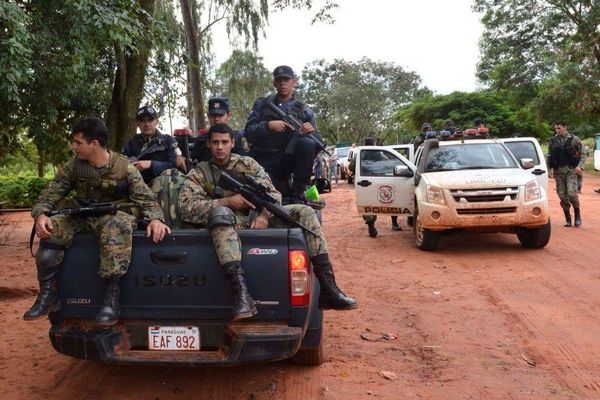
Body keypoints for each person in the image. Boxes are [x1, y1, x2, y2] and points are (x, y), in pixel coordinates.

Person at [178, 123, 356, 320]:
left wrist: (264, 215)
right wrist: (227, 202)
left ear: (232, 143)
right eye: (215, 142)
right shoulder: (200, 172)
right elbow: (185, 207)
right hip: (228, 224)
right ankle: (242, 296)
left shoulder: (247, 165)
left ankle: (329, 288)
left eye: (224, 142)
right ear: (209, 145)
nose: (220, 147)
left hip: (257, 219)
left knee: (304, 212)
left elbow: (273, 194)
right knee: (221, 215)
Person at [25, 117, 171, 325]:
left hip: (112, 216)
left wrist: (156, 219)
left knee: (116, 226)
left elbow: (146, 198)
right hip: (83, 215)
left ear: (94, 144)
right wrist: (41, 214)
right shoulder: (74, 166)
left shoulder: (124, 168)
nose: (73, 146)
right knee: (53, 227)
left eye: (78, 142)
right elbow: (51, 192)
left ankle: (111, 299)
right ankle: (49, 295)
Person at [245, 65, 320, 203]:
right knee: (261, 199)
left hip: (290, 160)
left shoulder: (305, 111)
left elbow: (314, 147)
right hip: (265, 160)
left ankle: (298, 193)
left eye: (286, 79)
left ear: (294, 81)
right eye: (279, 80)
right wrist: (268, 126)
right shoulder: (262, 105)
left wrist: (308, 132)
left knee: (308, 143)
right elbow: (248, 131)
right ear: (274, 83)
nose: (282, 83)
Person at [349, 137, 401, 237]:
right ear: (373, 144)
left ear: (364, 143)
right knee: (391, 200)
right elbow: (388, 164)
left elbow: (351, 167)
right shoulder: (379, 153)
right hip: (380, 179)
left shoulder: (361, 153)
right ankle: (394, 223)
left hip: (365, 181)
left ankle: (371, 226)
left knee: (369, 204)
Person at [123, 106, 181, 183]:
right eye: (142, 121)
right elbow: (123, 164)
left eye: (150, 120)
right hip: (136, 184)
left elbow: (176, 166)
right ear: (137, 123)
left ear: (157, 122)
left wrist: (152, 164)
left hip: (163, 185)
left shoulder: (169, 141)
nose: (147, 124)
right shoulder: (131, 143)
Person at [190, 97, 249, 163]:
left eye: (220, 115)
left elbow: (246, 163)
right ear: (208, 116)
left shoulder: (238, 138)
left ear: (229, 116)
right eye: (213, 115)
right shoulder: (201, 140)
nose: (216, 119)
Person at [547, 121, 584, 227]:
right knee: (562, 195)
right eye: (556, 129)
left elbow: (583, 153)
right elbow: (549, 155)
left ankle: (577, 215)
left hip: (571, 170)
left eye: (559, 128)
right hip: (558, 172)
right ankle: (568, 218)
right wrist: (549, 169)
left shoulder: (574, 139)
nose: (557, 130)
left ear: (565, 127)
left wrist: (579, 166)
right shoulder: (553, 140)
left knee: (572, 193)